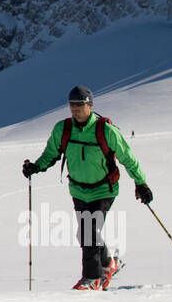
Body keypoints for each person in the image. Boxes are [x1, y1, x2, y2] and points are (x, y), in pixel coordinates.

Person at [22, 85, 152, 290]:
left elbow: (128, 158)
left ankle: (92, 278)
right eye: (72, 105)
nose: (74, 109)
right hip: (78, 190)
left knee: (88, 231)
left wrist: (141, 183)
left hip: (104, 189)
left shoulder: (105, 130)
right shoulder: (62, 129)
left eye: (79, 105)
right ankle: (108, 263)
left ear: (89, 105)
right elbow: (51, 153)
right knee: (86, 232)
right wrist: (36, 167)